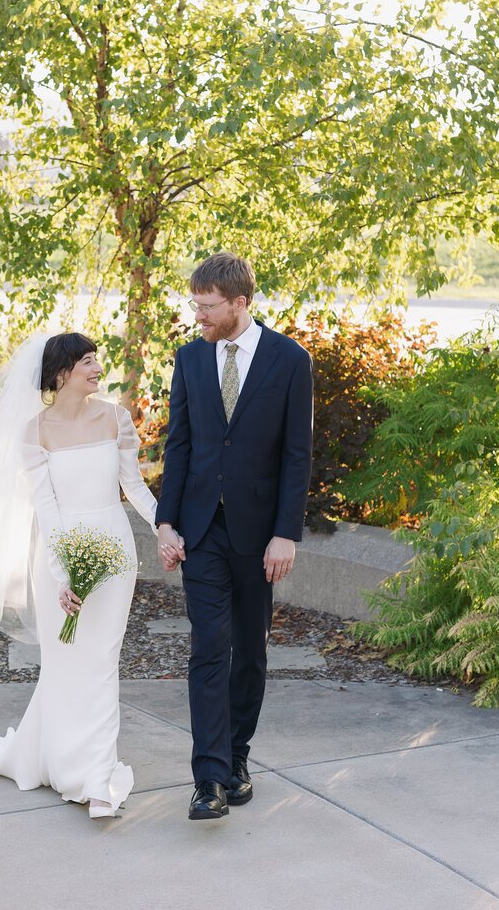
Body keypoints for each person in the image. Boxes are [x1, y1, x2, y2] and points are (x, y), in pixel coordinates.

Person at [0, 332, 157, 819]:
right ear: (62, 374)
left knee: (101, 659)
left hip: (115, 551)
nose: (98, 368)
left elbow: (134, 487)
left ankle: (97, 779)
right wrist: (64, 575)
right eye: (88, 362)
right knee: (66, 663)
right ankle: (58, 759)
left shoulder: (116, 418)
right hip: (59, 555)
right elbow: (48, 510)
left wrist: (168, 527)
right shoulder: (35, 432)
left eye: (97, 360)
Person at [155, 252, 313, 820]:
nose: (198, 315)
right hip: (201, 530)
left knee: (250, 652)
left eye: (208, 306)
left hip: (259, 534)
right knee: (207, 651)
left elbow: (297, 455)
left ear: (240, 302)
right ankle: (209, 779)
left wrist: (285, 534)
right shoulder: (189, 359)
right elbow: (179, 445)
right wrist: (165, 521)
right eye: (195, 304)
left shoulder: (290, 360)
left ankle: (237, 757)